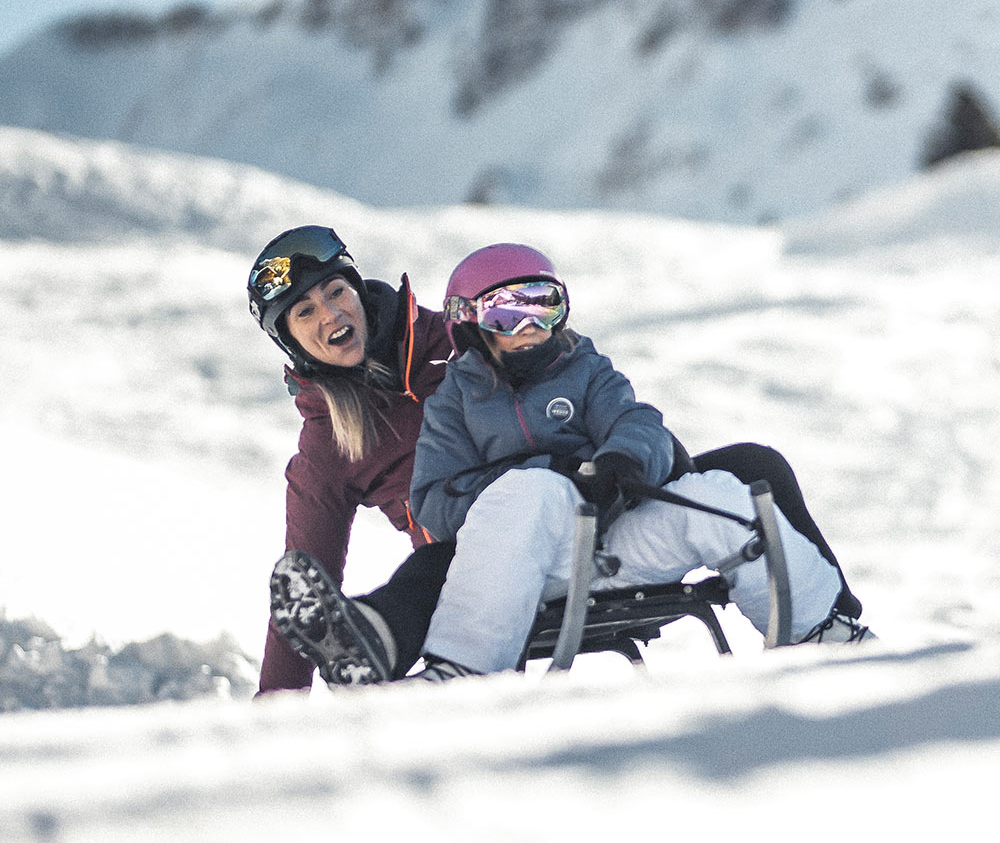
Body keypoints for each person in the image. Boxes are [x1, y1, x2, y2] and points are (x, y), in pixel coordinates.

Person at [249, 227, 868, 695]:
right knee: (436, 568)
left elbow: (607, 401)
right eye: (305, 312)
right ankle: (372, 643)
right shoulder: (329, 445)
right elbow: (308, 564)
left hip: (599, 500)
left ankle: (832, 626)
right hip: (473, 545)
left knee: (752, 467)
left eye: (336, 291)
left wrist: (631, 461)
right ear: (288, 339)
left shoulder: (462, 337)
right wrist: (276, 702)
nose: (331, 314)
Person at [405, 243, 873, 680]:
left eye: (543, 305)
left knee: (715, 494)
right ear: (467, 323)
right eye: (505, 312)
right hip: (533, 564)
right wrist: (545, 475)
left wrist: (623, 461)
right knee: (531, 487)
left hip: (617, 548)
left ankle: (820, 631)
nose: (528, 325)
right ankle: (462, 669)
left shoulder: (584, 369)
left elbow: (635, 420)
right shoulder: (453, 403)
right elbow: (431, 500)